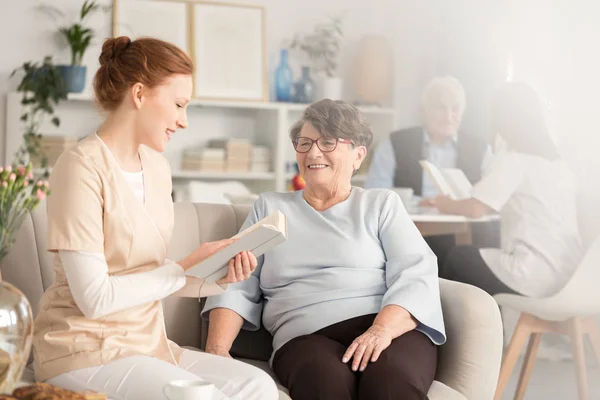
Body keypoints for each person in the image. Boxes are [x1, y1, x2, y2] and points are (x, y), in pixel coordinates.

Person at [32, 36, 279, 400]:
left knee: (257, 385)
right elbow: (95, 298)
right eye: (179, 104)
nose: (184, 121)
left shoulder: (158, 168)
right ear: (139, 94)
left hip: (148, 344)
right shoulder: (80, 168)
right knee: (196, 396)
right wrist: (180, 269)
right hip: (82, 349)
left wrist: (218, 275)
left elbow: (154, 274)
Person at [202, 99, 446, 400]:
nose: (313, 152)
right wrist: (216, 351)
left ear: (358, 155)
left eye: (328, 142)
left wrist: (381, 329)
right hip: (305, 336)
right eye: (304, 143)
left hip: (384, 326)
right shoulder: (271, 207)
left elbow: (416, 272)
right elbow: (237, 281)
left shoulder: (381, 204)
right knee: (322, 383)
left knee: (390, 383)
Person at [435, 82, 584, 297]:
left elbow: (476, 208)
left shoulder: (515, 159)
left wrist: (444, 203)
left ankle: (444, 328)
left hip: (533, 274)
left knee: (459, 257)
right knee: (474, 259)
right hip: (569, 277)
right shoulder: (560, 164)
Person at [364, 76, 494, 267]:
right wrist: (420, 203)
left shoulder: (481, 149)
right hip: (406, 233)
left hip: (463, 238)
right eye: (440, 108)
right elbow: (374, 194)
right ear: (423, 111)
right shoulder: (395, 143)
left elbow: (492, 200)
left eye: (455, 108)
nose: (448, 116)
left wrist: (450, 205)